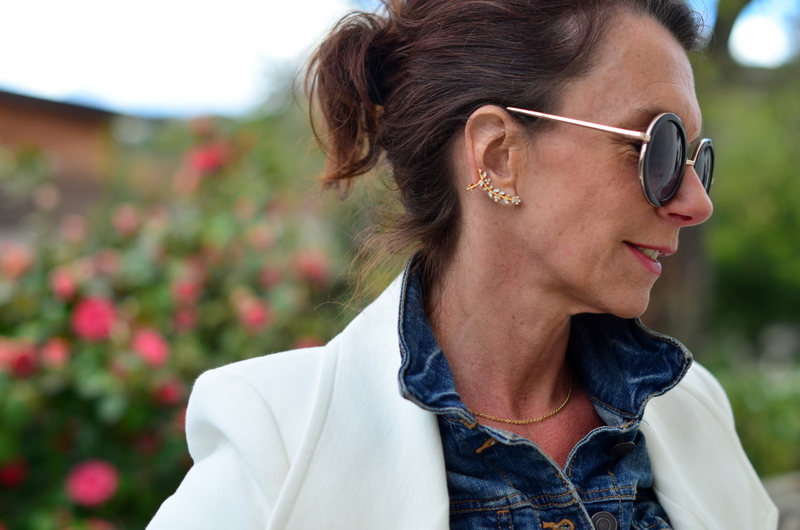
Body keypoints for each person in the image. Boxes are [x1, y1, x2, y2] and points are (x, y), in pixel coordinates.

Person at [148, 0, 778, 528]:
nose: (696, 203)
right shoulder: (276, 442)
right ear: (498, 155)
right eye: (658, 147)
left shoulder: (692, 407)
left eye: (696, 159)